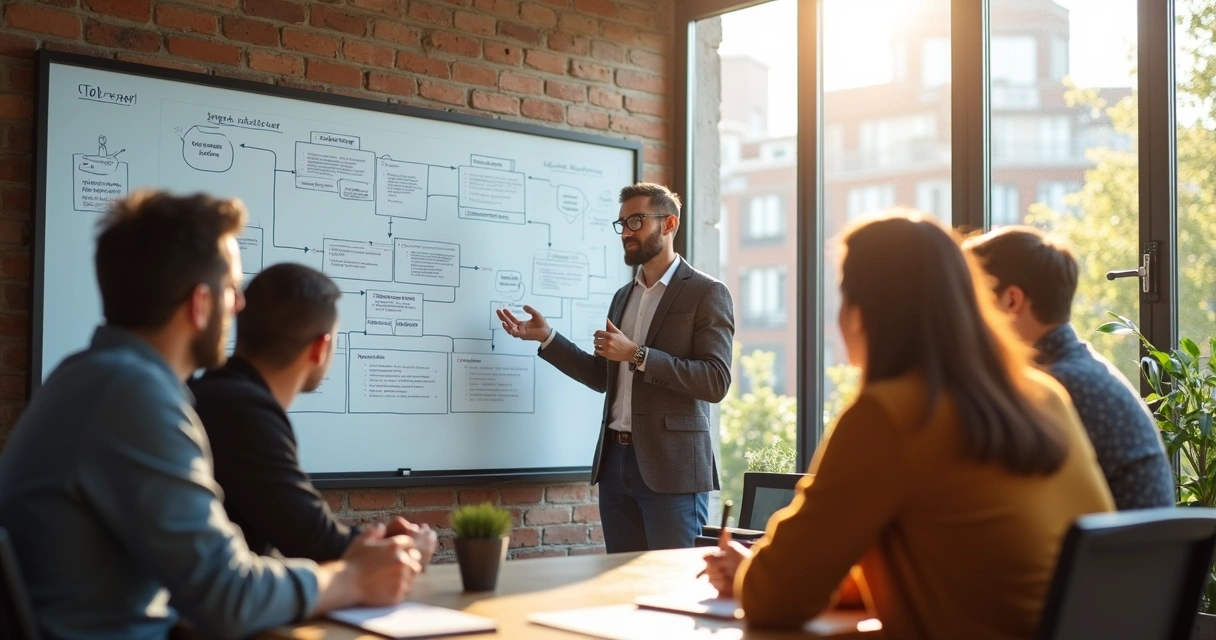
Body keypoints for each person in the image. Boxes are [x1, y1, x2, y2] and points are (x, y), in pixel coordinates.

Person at [0, 192, 420, 640]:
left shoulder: (84, 377)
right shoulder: (132, 397)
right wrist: (351, 578)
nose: (239, 306)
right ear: (200, 305)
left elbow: (205, 578)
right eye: (231, 289)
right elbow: (227, 597)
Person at [703, 212, 1114, 638]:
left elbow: (776, 598)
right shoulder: (1043, 395)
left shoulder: (888, 415)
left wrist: (750, 574)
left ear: (861, 313)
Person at [497, 183, 734, 552]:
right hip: (615, 463)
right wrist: (548, 338)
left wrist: (638, 355)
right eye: (622, 223)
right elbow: (601, 376)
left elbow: (715, 381)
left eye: (636, 221)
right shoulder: (623, 296)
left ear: (669, 224)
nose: (626, 231)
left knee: (674, 584)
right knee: (622, 587)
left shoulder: (706, 292)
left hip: (670, 469)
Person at [190, 263, 438, 564]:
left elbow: (304, 531)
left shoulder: (217, 392)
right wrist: (409, 548)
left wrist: (381, 538)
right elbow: (314, 541)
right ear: (321, 347)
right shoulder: (243, 412)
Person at [966, 226, 1175, 510]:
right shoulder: (1082, 369)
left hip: (1109, 553)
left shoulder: (1060, 386)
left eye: (972, 300)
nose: (964, 316)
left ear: (1011, 301)